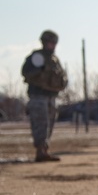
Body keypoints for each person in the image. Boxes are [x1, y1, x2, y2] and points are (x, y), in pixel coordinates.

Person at [20, 30, 68, 162]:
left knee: (49, 124)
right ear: (43, 42)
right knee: (40, 123)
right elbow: (26, 72)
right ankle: (40, 151)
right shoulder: (37, 57)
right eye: (49, 42)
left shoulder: (54, 59)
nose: (51, 45)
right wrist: (39, 71)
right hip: (38, 96)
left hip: (51, 96)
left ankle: (44, 150)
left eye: (53, 43)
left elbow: (61, 76)